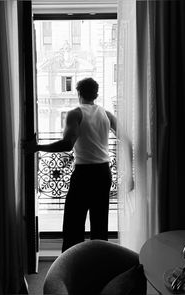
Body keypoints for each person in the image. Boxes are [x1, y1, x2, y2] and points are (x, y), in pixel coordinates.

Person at [24, 77, 133, 252]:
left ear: (78, 93)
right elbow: (128, 140)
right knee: (100, 225)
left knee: (73, 225)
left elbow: (67, 144)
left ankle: (71, 266)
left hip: (84, 174)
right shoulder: (107, 114)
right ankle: (99, 266)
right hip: (104, 173)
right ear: (96, 94)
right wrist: (131, 176)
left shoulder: (75, 113)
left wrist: (36, 147)